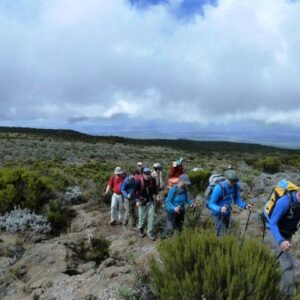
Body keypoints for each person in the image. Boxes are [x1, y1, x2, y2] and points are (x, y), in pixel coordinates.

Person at [264, 189, 300, 297]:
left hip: (287, 234)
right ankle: (289, 295)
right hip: (276, 234)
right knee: (288, 263)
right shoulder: (284, 201)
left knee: (277, 259)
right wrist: (281, 240)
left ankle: (264, 272)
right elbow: (272, 223)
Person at [208, 170, 252, 236]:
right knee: (222, 233)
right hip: (218, 214)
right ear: (226, 178)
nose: (232, 183)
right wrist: (220, 208)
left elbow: (237, 199)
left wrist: (245, 206)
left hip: (227, 212)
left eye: (234, 181)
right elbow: (210, 204)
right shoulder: (219, 188)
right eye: (231, 181)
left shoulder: (235, 186)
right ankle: (219, 244)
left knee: (225, 230)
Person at [134, 167, 158, 241]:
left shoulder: (152, 180)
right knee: (142, 218)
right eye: (145, 174)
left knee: (151, 218)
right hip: (142, 202)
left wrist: (157, 195)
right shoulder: (138, 182)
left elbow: (155, 190)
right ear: (143, 174)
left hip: (150, 201)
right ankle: (140, 229)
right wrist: (136, 200)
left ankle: (149, 233)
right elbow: (133, 192)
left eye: (148, 174)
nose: (147, 176)